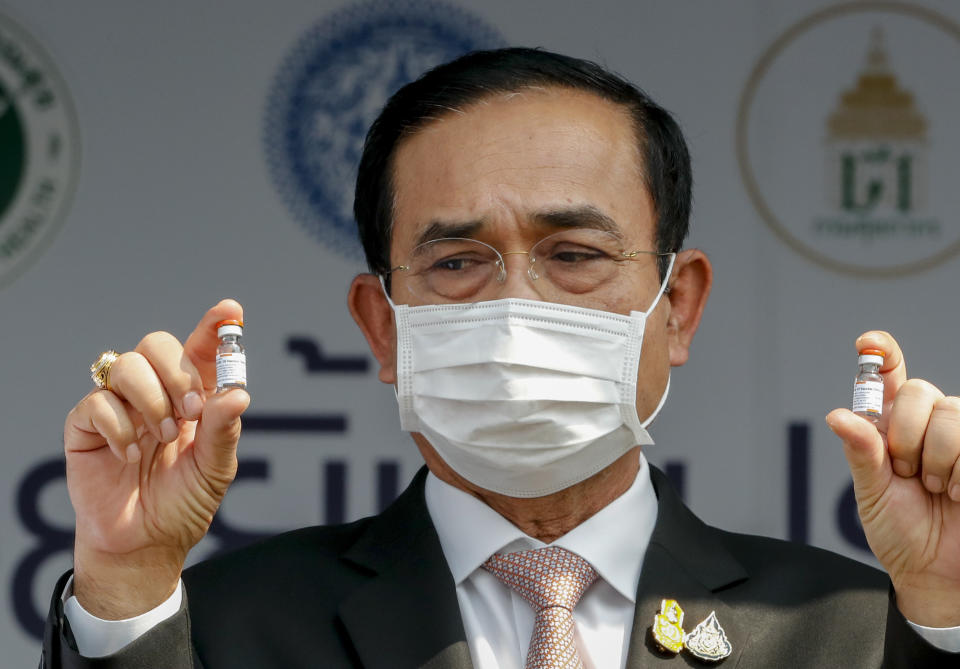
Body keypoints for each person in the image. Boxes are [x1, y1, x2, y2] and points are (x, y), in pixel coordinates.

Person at [42, 48, 959, 668]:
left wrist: (947, 606)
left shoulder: (856, 632)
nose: (517, 307)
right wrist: (125, 584)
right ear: (382, 324)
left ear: (675, 307)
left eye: (574, 255)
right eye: (456, 262)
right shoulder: (221, 630)